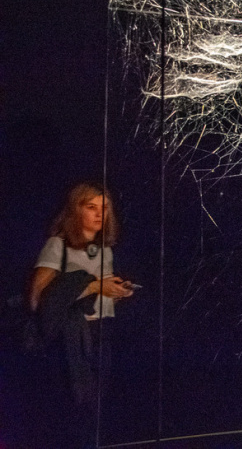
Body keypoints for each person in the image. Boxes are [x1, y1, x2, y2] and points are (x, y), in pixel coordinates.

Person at [29, 182, 134, 448]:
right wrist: (95, 286)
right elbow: (38, 298)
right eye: (91, 207)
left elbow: (97, 291)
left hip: (102, 334)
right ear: (76, 210)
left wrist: (115, 290)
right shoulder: (59, 245)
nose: (100, 214)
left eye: (105, 208)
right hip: (70, 337)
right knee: (72, 407)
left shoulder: (104, 249)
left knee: (96, 408)